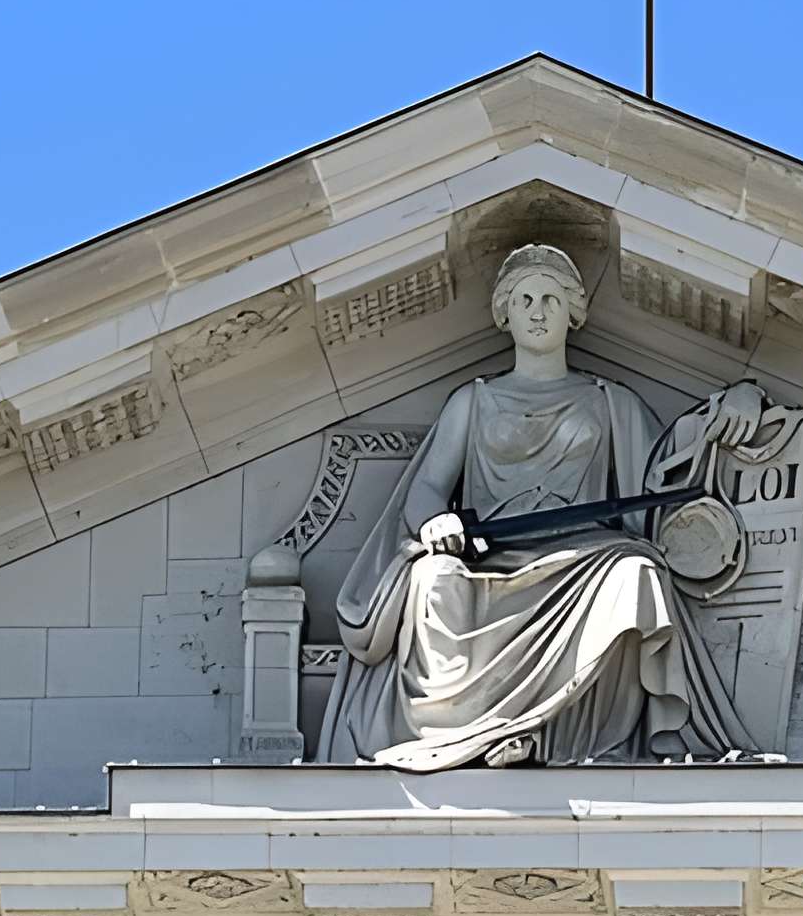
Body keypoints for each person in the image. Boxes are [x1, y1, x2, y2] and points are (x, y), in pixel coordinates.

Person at [318, 243, 764, 768]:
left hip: (585, 558)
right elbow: (427, 486)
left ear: (573, 311)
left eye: (551, 298)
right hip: (489, 553)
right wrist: (435, 523)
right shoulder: (474, 400)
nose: (537, 310)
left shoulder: (608, 400)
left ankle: (576, 738)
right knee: (433, 579)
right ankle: (463, 733)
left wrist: (742, 399)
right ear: (505, 313)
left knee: (639, 573)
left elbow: (670, 475)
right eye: (525, 298)